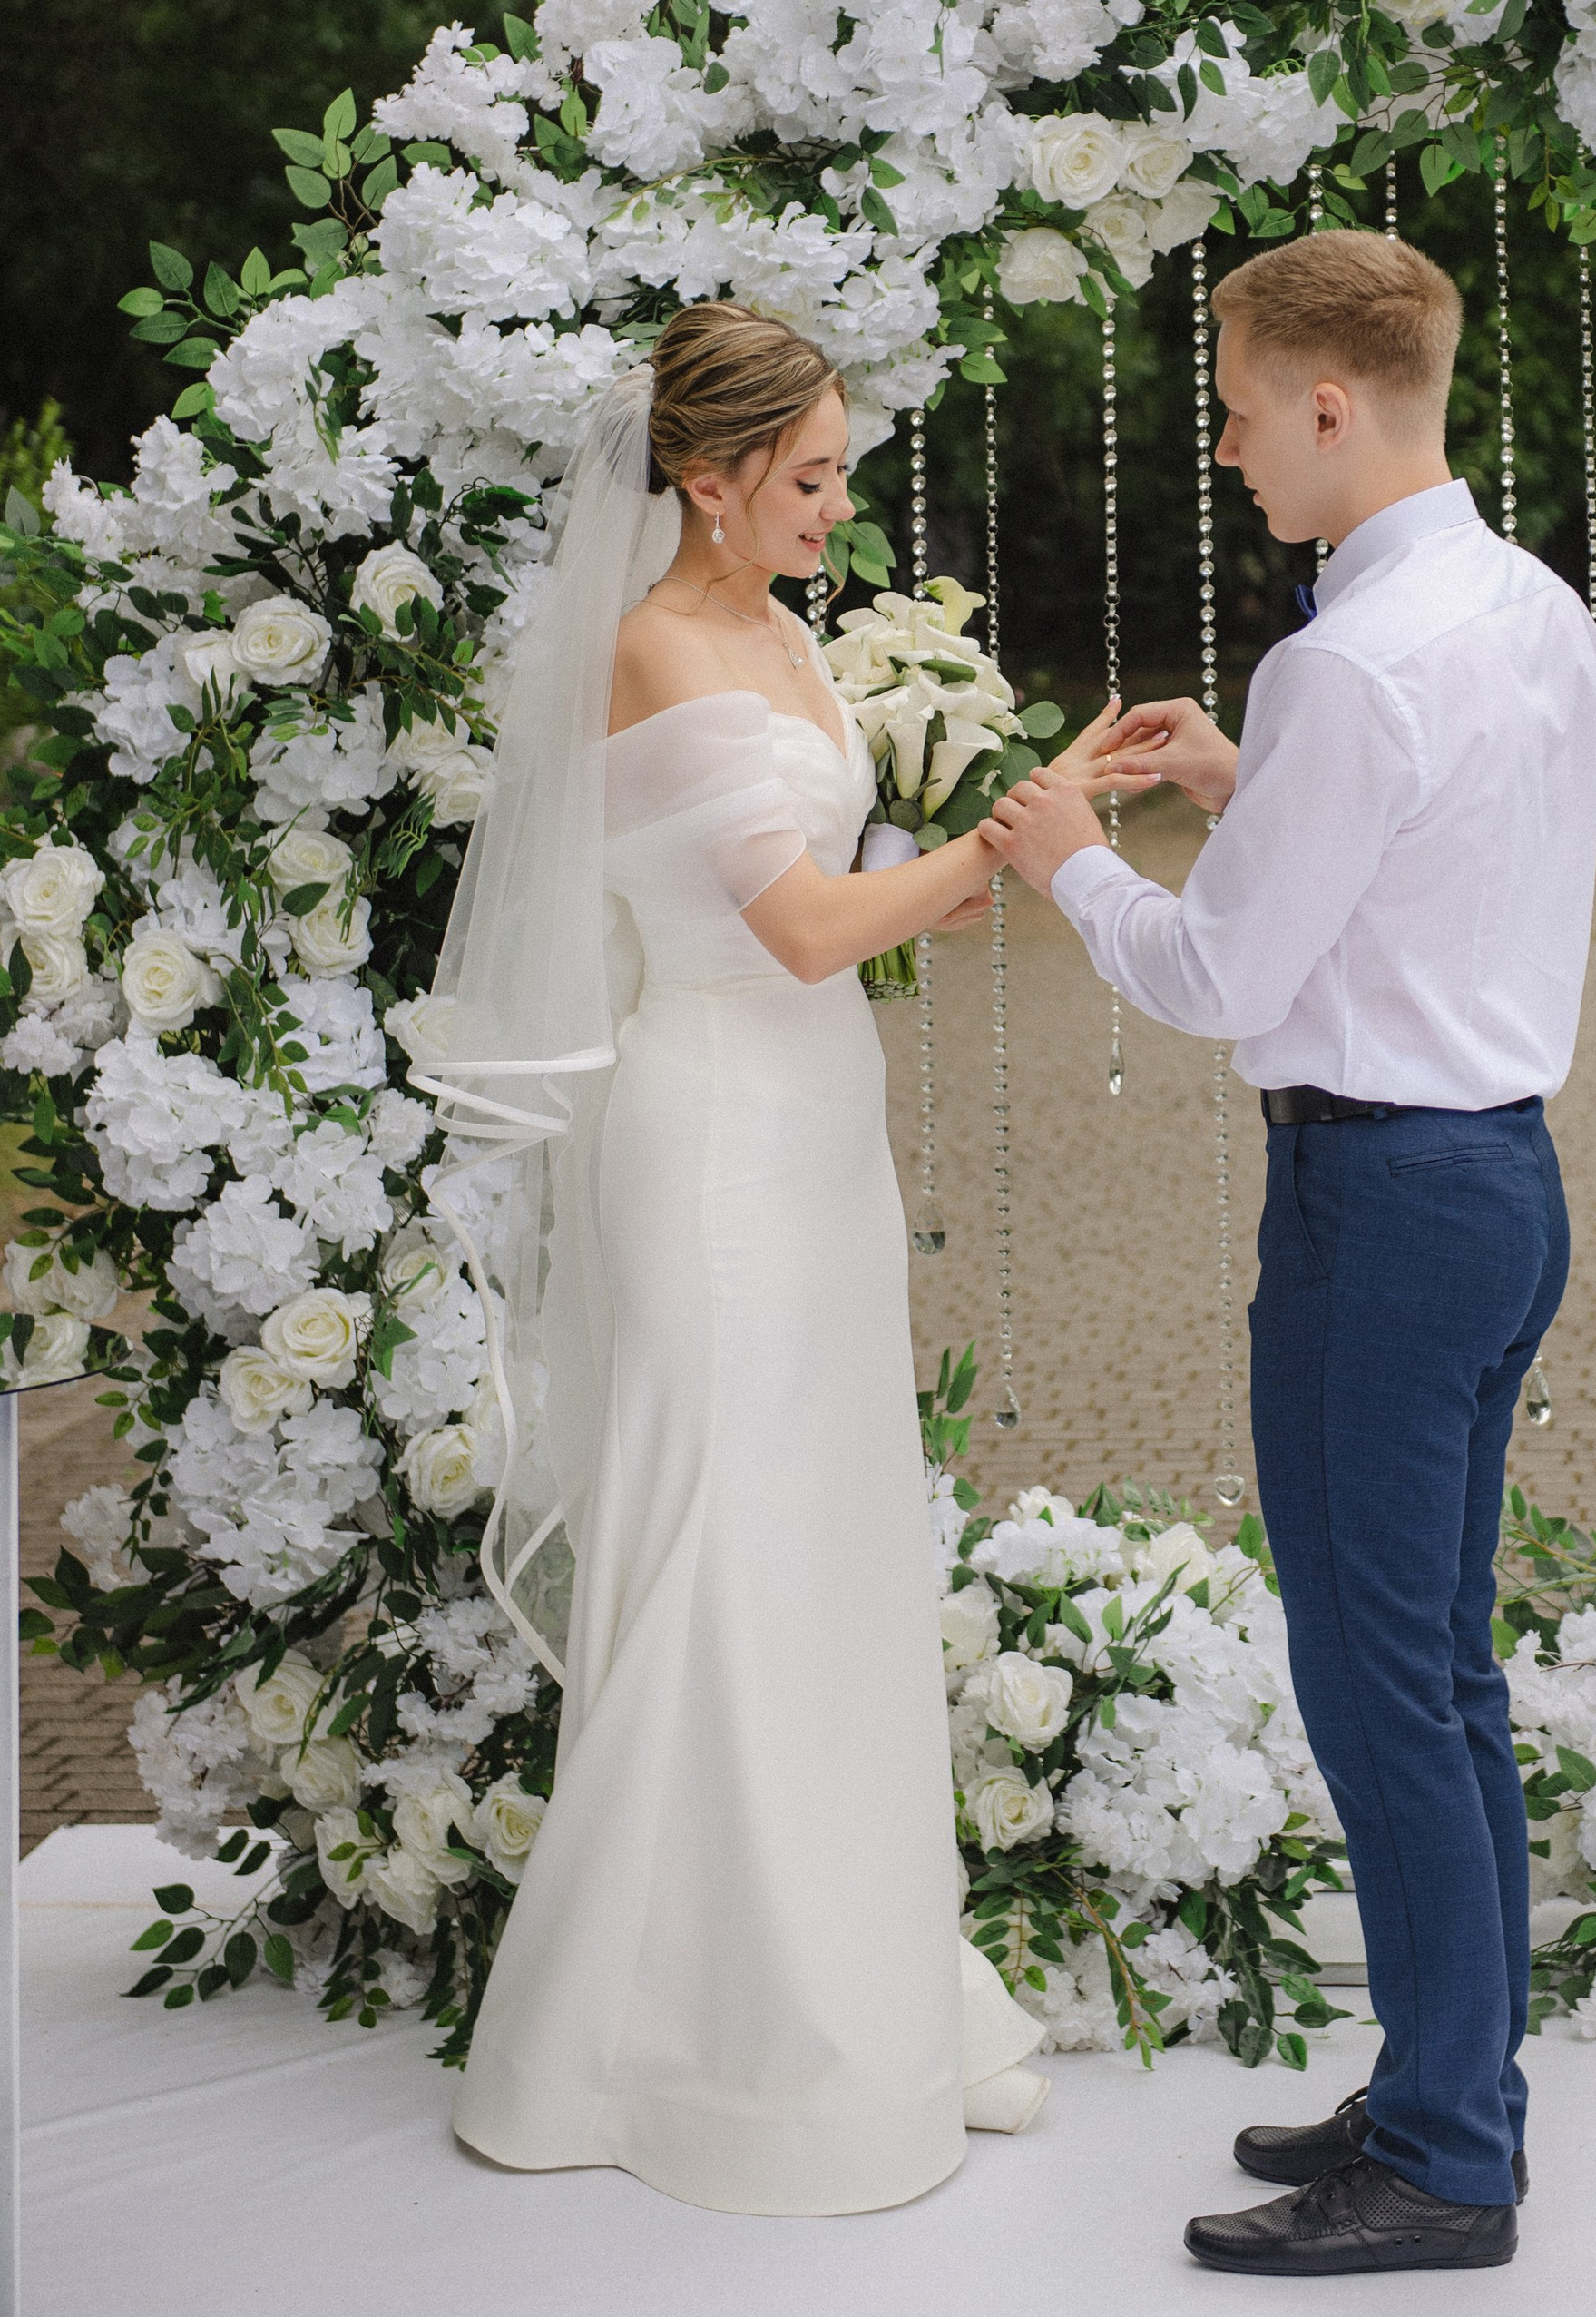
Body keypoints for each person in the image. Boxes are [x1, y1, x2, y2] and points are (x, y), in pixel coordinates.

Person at [983, 230, 1596, 2278]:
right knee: (1439, 1674)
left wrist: (1069, 862)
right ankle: (1449, 2086)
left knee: (1377, 1689)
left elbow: (1221, 970)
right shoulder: (1530, 614)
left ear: (1332, 401)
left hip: (1374, 1206)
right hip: (1496, 1177)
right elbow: (1432, 882)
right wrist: (1249, 792)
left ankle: (1443, 2158)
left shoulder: (1344, 658)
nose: (1233, 442)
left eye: (1243, 404)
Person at [432, 302, 1105, 2214]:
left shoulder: (779, 629)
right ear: (706, 480)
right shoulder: (652, 642)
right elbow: (805, 927)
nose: (835, 505)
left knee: (813, 1548)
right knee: (721, 1554)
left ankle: (849, 1981)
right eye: (805, 477)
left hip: (807, 1138)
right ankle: (674, 2048)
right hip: (712, 1138)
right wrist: (1007, 847)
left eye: (839, 473)